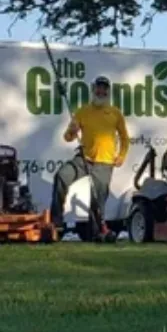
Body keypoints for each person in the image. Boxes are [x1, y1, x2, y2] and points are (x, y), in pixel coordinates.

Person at [51, 76, 129, 243]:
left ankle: (96, 234)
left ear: (108, 92)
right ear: (93, 90)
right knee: (62, 176)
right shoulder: (82, 111)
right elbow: (67, 138)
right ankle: (55, 223)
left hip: (105, 162)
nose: (101, 91)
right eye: (98, 88)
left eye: (104, 89)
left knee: (98, 199)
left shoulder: (115, 113)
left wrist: (121, 155)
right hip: (83, 158)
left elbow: (125, 138)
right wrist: (72, 131)